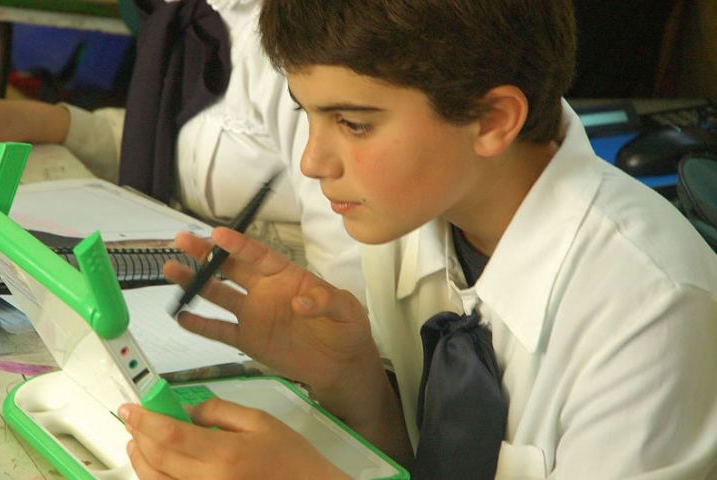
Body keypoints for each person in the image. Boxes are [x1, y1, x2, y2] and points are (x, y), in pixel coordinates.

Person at [115, 0, 717, 478]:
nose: (312, 162)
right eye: (307, 114)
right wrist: (356, 384)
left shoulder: (653, 309)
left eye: (353, 123)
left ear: (492, 120)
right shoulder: (412, 219)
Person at [0, 0, 365, 305]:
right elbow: (178, 149)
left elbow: (348, 288)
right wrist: (55, 124)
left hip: (273, 311)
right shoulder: (190, 15)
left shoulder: (298, 41)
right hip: (195, 282)